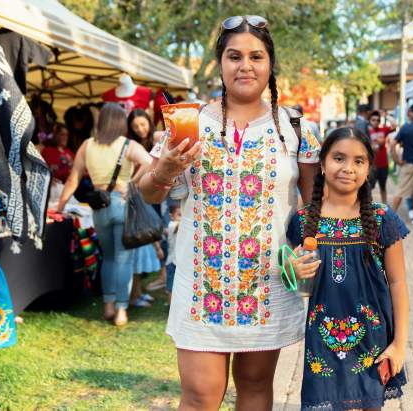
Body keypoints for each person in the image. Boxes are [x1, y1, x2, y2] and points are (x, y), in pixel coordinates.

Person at [137, 15, 320, 410]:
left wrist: (308, 250)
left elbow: (315, 205)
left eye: (256, 56)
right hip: (203, 287)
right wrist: (165, 170)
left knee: (255, 390)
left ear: (270, 64)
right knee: (200, 398)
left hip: (266, 284)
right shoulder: (188, 122)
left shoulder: (296, 127)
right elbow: (147, 191)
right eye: (234, 56)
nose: (245, 66)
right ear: (221, 63)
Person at [285, 127, 409, 410]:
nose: (347, 168)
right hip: (322, 342)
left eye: (358, 161)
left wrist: (399, 344)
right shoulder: (303, 222)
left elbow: (398, 283)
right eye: (338, 158)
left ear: (368, 168)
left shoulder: (382, 219)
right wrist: (291, 271)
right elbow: (291, 280)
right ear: (322, 163)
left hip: (373, 342)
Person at [57, 103, 154, 326]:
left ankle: (108, 306)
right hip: (122, 204)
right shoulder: (127, 145)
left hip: (99, 208)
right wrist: (131, 184)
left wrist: (61, 207)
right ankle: (121, 310)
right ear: (121, 122)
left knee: (108, 258)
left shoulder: (87, 145)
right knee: (124, 260)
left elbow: (74, 178)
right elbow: (149, 162)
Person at [127, 109, 163, 306]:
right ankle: (136, 294)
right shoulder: (131, 145)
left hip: (157, 195)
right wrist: (132, 183)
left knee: (152, 241)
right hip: (139, 199)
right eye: (135, 127)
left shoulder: (157, 138)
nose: (140, 129)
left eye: (143, 124)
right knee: (142, 245)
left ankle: (138, 292)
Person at [368, 110, 391, 204]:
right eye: (373, 120)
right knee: (369, 188)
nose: (376, 122)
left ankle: (384, 207)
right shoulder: (367, 131)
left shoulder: (383, 130)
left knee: (383, 187)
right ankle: (369, 207)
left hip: (383, 164)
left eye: (378, 120)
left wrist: (386, 115)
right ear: (369, 120)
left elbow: (394, 125)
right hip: (372, 165)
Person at [165, 202, 182, 299]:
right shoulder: (171, 225)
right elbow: (178, 227)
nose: (182, 217)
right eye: (179, 215)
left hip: (178, 261)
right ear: (171, 216)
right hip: (172, 262)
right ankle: (171, 307)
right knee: (171, 287)